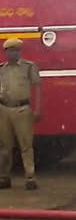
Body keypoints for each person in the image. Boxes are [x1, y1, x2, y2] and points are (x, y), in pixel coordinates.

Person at [0, 38, 42, 190]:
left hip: (23, 109)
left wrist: (37, 109)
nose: (14, 53)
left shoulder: (29, 67)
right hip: (3, 109)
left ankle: (30, 177)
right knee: (5, 146)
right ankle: (4, 177)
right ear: (5, 52)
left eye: (16, 50)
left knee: (26, 145)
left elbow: (37, 87)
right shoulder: (1, 69)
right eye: (11, 50)